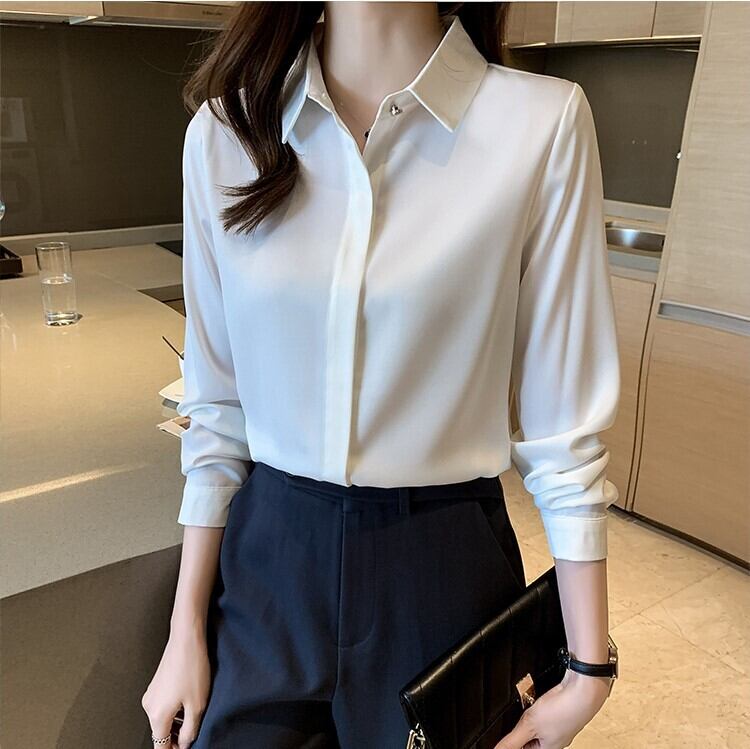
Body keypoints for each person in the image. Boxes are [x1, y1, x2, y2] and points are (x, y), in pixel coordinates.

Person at [141, 2, 621, 748]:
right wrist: (185, 629)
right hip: (271, 557)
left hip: (441, 565)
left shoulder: (541, 125)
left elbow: (562, 420)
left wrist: (589, 667)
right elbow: (218, 406)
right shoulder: (225, 134)